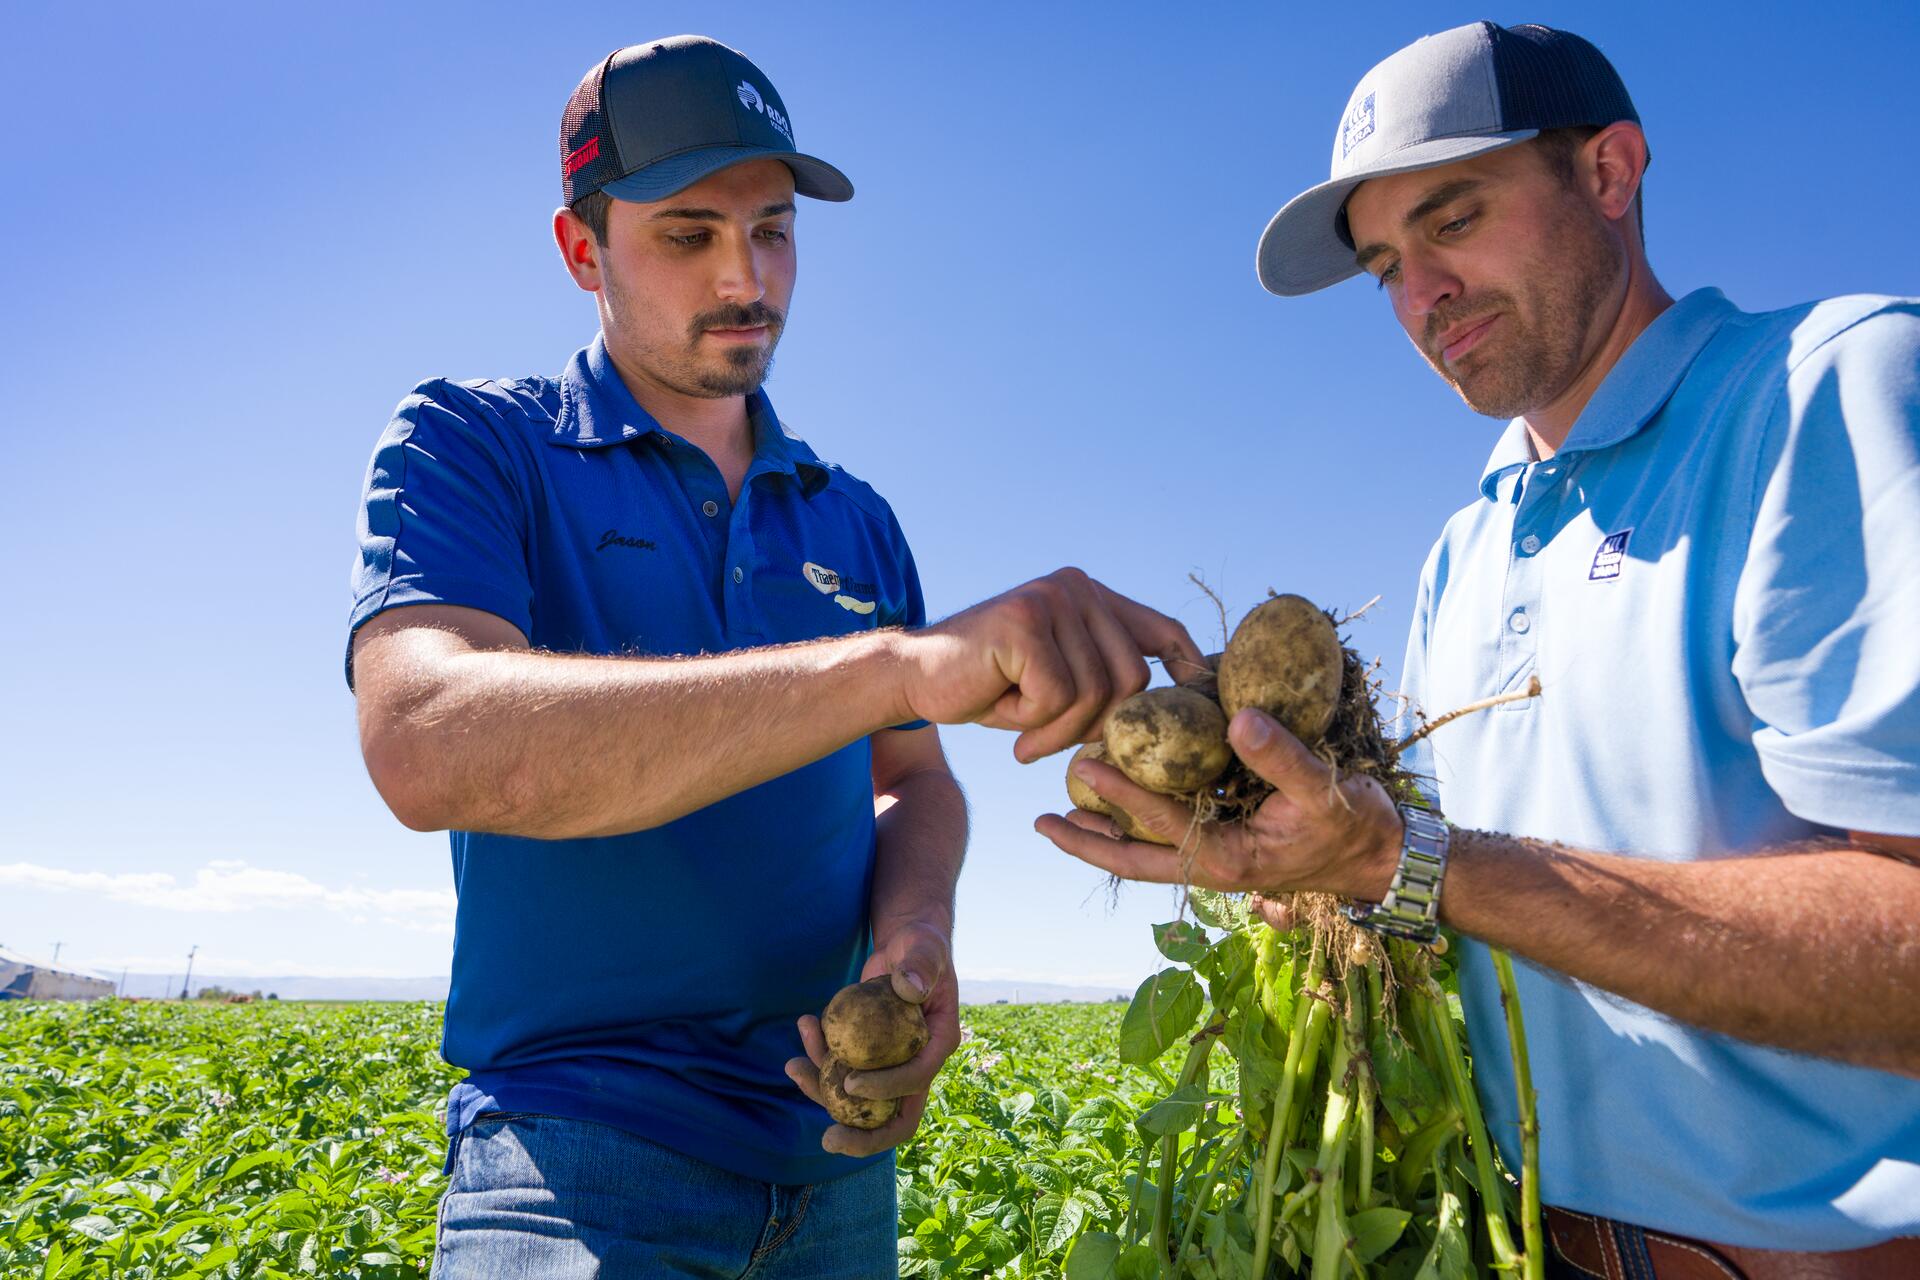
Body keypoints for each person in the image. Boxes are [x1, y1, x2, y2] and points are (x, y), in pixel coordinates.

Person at [1039, 21, 1920, 1280]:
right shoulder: (1467, 544)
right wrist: (1304, 864)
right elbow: (1475, 894)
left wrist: (1410, 857)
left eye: (1453, 222)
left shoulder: (1822, 394)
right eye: (1387, 264)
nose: (1418, 297)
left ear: (1610, 174)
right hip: (1537, 1246)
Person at [347, 35, 1202, 1279]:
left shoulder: (852, 516)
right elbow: (425, 740)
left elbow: (911, 776)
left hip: (838, 1162)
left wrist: (915, 936)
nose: (747, 276)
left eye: (774, 229)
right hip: (574, 1158)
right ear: (583, 250)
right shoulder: (476, 442)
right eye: (688, 234)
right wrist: (892, 667)